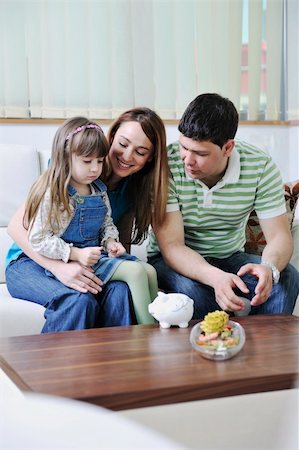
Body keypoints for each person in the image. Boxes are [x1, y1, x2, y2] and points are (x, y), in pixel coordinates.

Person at [6, 108, 169, 332]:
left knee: (120, 291)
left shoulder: (127, 191)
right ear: (110, 139)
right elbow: (17, 228)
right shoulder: (66, 171)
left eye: (140, 152)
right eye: (122, 144)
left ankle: (120, 362)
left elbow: (115, 245)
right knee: (78, 300)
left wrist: (113, 248)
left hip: (86, 260)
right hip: (31, 260)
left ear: (149, 159)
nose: (127, 155)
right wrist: (59, 268)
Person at [147, 93, 299, 318]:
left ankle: (261, 349)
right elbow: (173, 247)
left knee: (286, 278)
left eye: (200, 153)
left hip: (229, 256)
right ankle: (214, 342)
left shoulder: (260, 167)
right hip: (172, 261)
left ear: (228, 148)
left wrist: (269, 267)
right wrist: (215, 278)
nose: (187, 160)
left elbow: (279, 237)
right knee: (192, 294)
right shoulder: (166, 166)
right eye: (184, 147)